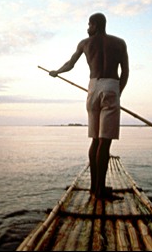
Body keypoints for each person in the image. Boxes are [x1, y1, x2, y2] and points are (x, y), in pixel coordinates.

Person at [49, 13, 129, 198]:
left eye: (89, 24)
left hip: (92, 88)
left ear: (95, 25)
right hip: (111, 85)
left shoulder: (85, 43)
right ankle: (99, 190)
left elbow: (70, 64)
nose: (87, 28)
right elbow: (125, 71)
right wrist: (118, 92)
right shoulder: (119, 42)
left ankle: (96, 188)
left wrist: (57, 72)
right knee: (104, 142)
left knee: (95, 139)